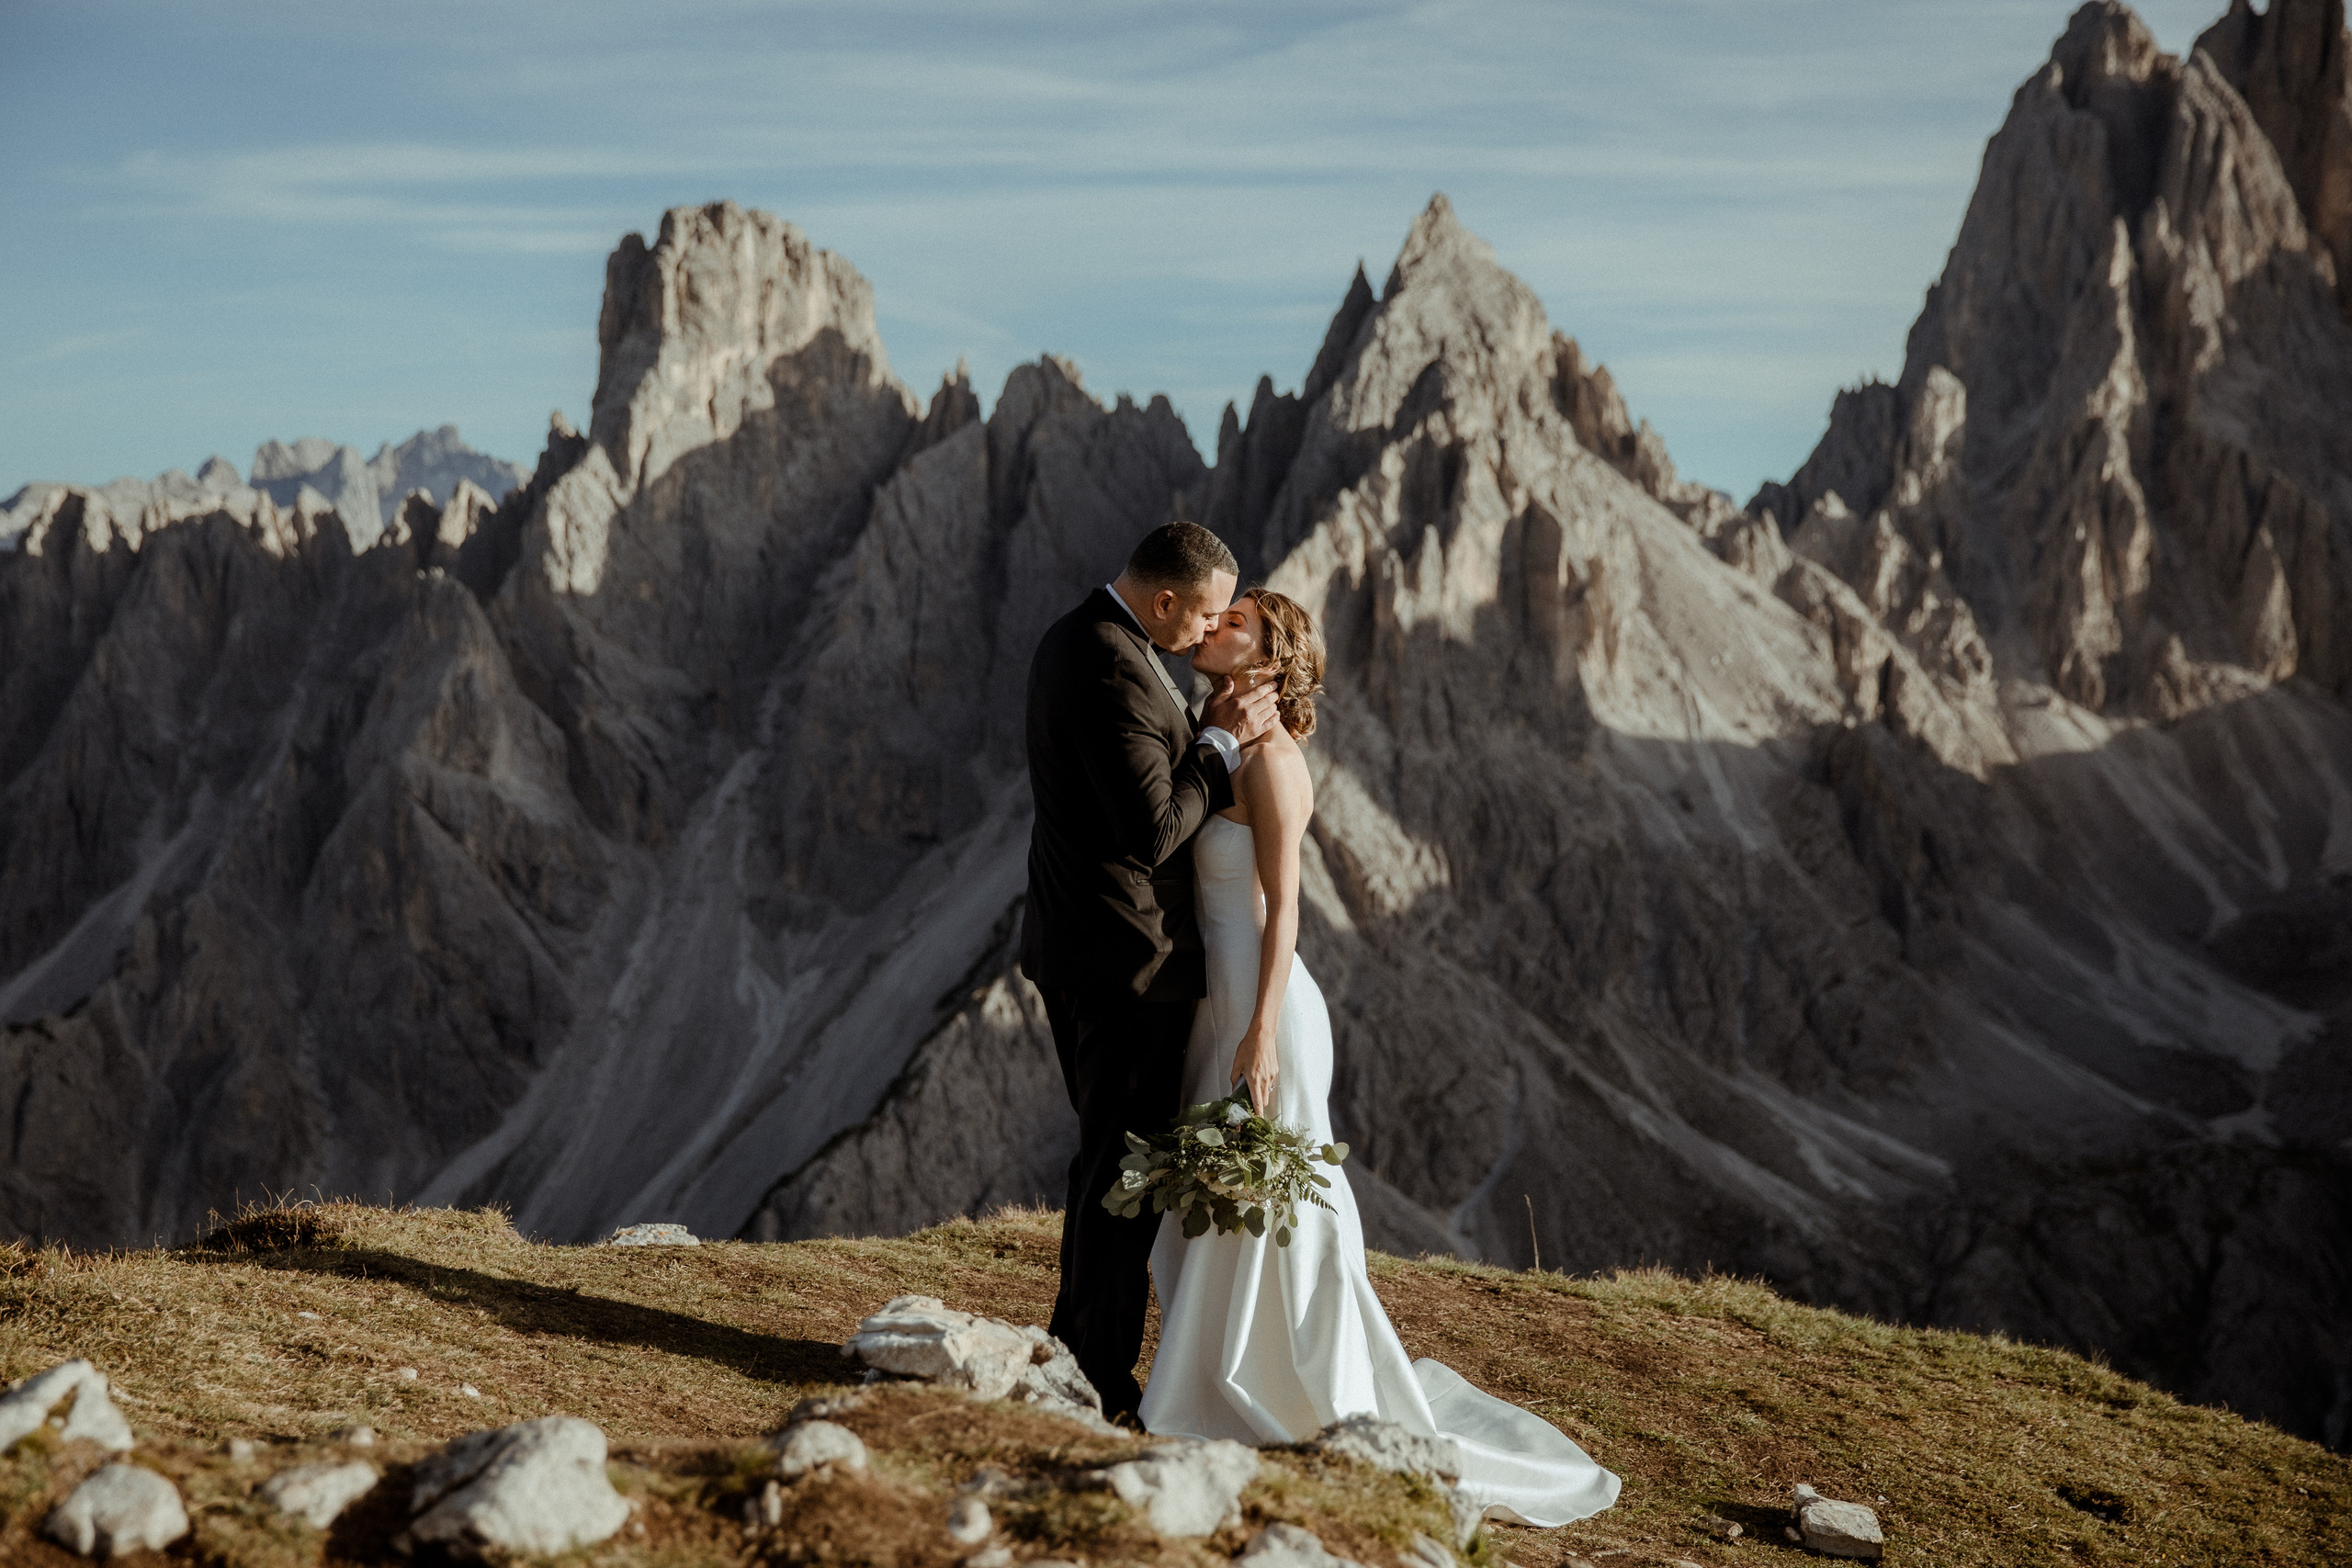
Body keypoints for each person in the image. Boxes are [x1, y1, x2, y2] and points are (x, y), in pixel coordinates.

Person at [1136, 586, 1622, 1529]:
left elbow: (1286, 910)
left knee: (1284, 1207)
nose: (1211, 628)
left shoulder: (1276, 764)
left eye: (1231, 623)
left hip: (1264, 1007)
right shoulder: (1222, 735)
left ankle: (1293, 1390)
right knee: (1219, 1201)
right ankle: (1208, 1377)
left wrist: (1263, 1030)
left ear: (1269, 661)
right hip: (1218, 1002)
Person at [1020, 521, 1281, 1426]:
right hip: (1128, 962)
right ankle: (1097, 1379)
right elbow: (1149, 832)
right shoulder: (1108, 662)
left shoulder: (1083, 640)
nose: (1207, 632)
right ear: (1165, 599)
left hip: (1089, 948)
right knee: (1123, 1178)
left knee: (1106, 1167)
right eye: (1203, 612)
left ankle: (1068, 1353)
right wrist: (1213, 747)